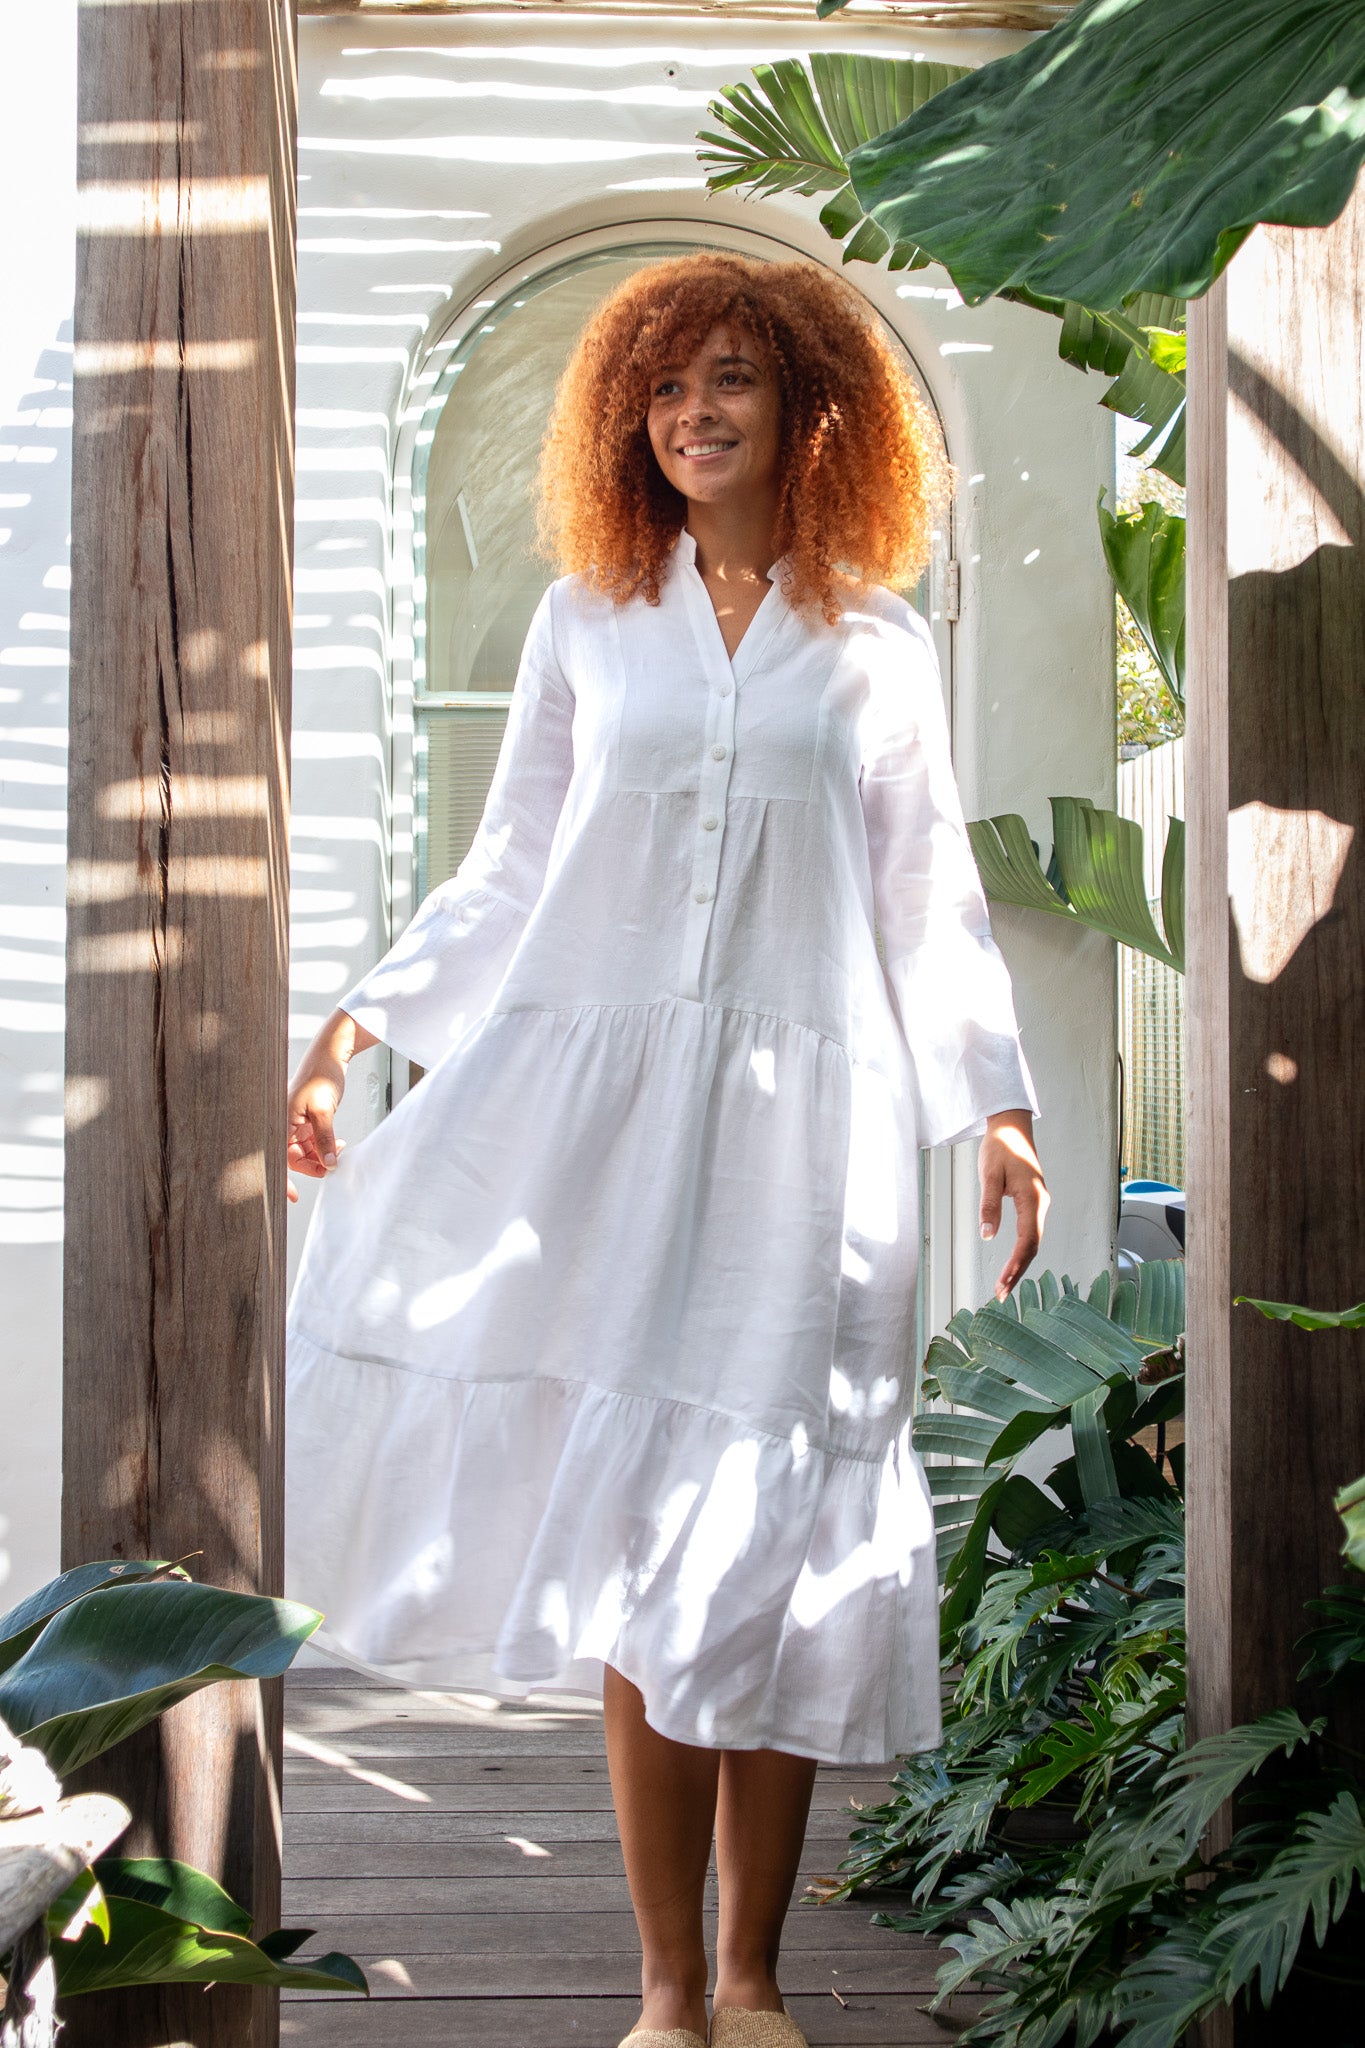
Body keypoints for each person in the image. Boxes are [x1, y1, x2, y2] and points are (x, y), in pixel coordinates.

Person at [284, 251, 1049, 2048]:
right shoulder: (583, 620)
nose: (692, 415)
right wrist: (358, 1025)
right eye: (664, 390)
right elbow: (505, 872)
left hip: (813, 1140)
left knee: (768, 1542)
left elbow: (924, 894)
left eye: (730, 383)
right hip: (614, 1127)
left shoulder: (873, 644)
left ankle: (756, 1980)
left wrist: (995, 1103)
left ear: (806, 414)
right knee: (649, 1548)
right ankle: (661, 1994)